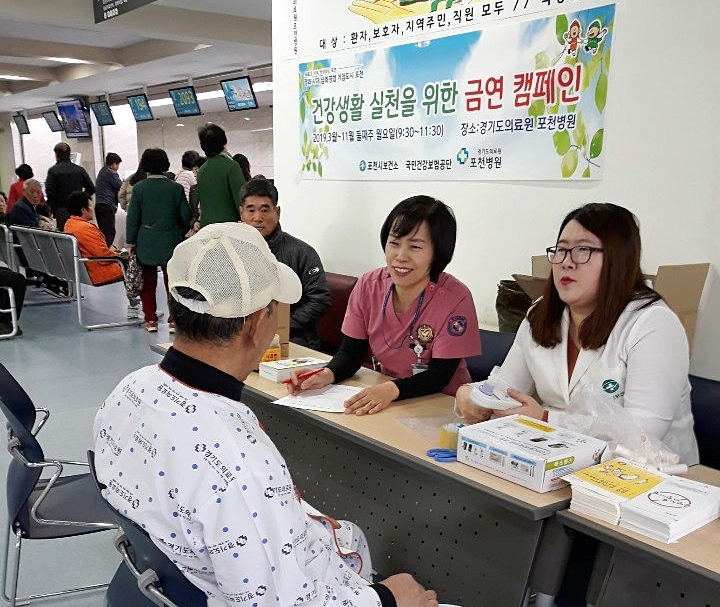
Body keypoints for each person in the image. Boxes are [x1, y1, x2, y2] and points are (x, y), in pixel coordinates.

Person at [93, 222, 514, 607]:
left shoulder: (132, 390)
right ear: (255, 322)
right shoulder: (237, 462)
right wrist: (388, 602)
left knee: (352, 538)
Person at [454, 202, 698, 465]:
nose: (566, 263)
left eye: (583, 250)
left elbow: (642, 437)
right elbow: (506, 391)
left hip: (650, 481)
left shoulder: (653, 323)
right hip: (561, 464)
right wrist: (472, 396)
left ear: (619, 259)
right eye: (561, 250)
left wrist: (546, 420)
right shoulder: (542, 313)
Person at [290, 195, 480, 413]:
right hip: (388, 398)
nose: (400, 256)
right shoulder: (368, 285)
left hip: (441, 406)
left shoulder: (456, 298)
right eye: (394, 243)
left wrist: (391, 390)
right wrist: (326, 374)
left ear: (438, 252)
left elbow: (440, 376)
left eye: (415, 247)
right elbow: (351, 354)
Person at [239, 178, 330, 349]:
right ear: (241, 213)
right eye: (251, 210)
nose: (257, 218)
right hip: (243, 341)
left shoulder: (302, 253)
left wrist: (281, 326)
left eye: (265, 210)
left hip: (295, 340)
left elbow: (319, 299)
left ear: (277, 212)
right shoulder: (232, 252)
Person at [125, 148, 192, 333]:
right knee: (173, 283)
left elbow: (133, 219)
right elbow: (185, 216)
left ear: (145, 166)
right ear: (166, 165)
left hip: (145, 241)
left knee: (148, 283)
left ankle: (151, 320)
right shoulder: (175, 188)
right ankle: (173, 321)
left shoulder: (139, 189)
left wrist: (131, 242)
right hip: (171, 241)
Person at [63, 190, 139, 317]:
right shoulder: (86, 228)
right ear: (83, 210)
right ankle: (136, 305)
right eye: (90, 206)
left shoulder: (69, 224)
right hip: (95, 271)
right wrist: (120, 255)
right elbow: (103, 254)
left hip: (82, 269)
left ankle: (135, 304)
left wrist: (116, 252)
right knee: (133, 264)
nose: (92, 209)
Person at [196, 124, 244, 226]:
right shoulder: (231, 166)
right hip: (228, 227)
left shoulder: (201, 170)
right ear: (223, 143)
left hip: (206, 227)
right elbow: (242, 201)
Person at [45, 142, 95, 231]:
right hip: (79, 211)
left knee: (66, 236)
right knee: (80, 233)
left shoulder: (53, 171)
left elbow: (50, 193)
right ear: (69, 154)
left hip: (61, 210)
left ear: (56, 155)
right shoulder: (79, 170)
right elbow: (91, 188)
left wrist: (52, 210)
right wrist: (80, 199)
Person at [94, 152, 122, 246]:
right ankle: (105, 254)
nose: (118, 167)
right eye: (118, 164)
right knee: (110, 233)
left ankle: (104, 251)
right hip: (107, 206)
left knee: (103, 233)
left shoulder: (102, 171)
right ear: (113, 163)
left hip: (99, 205)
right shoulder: (111, 173)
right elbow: (120, 186)